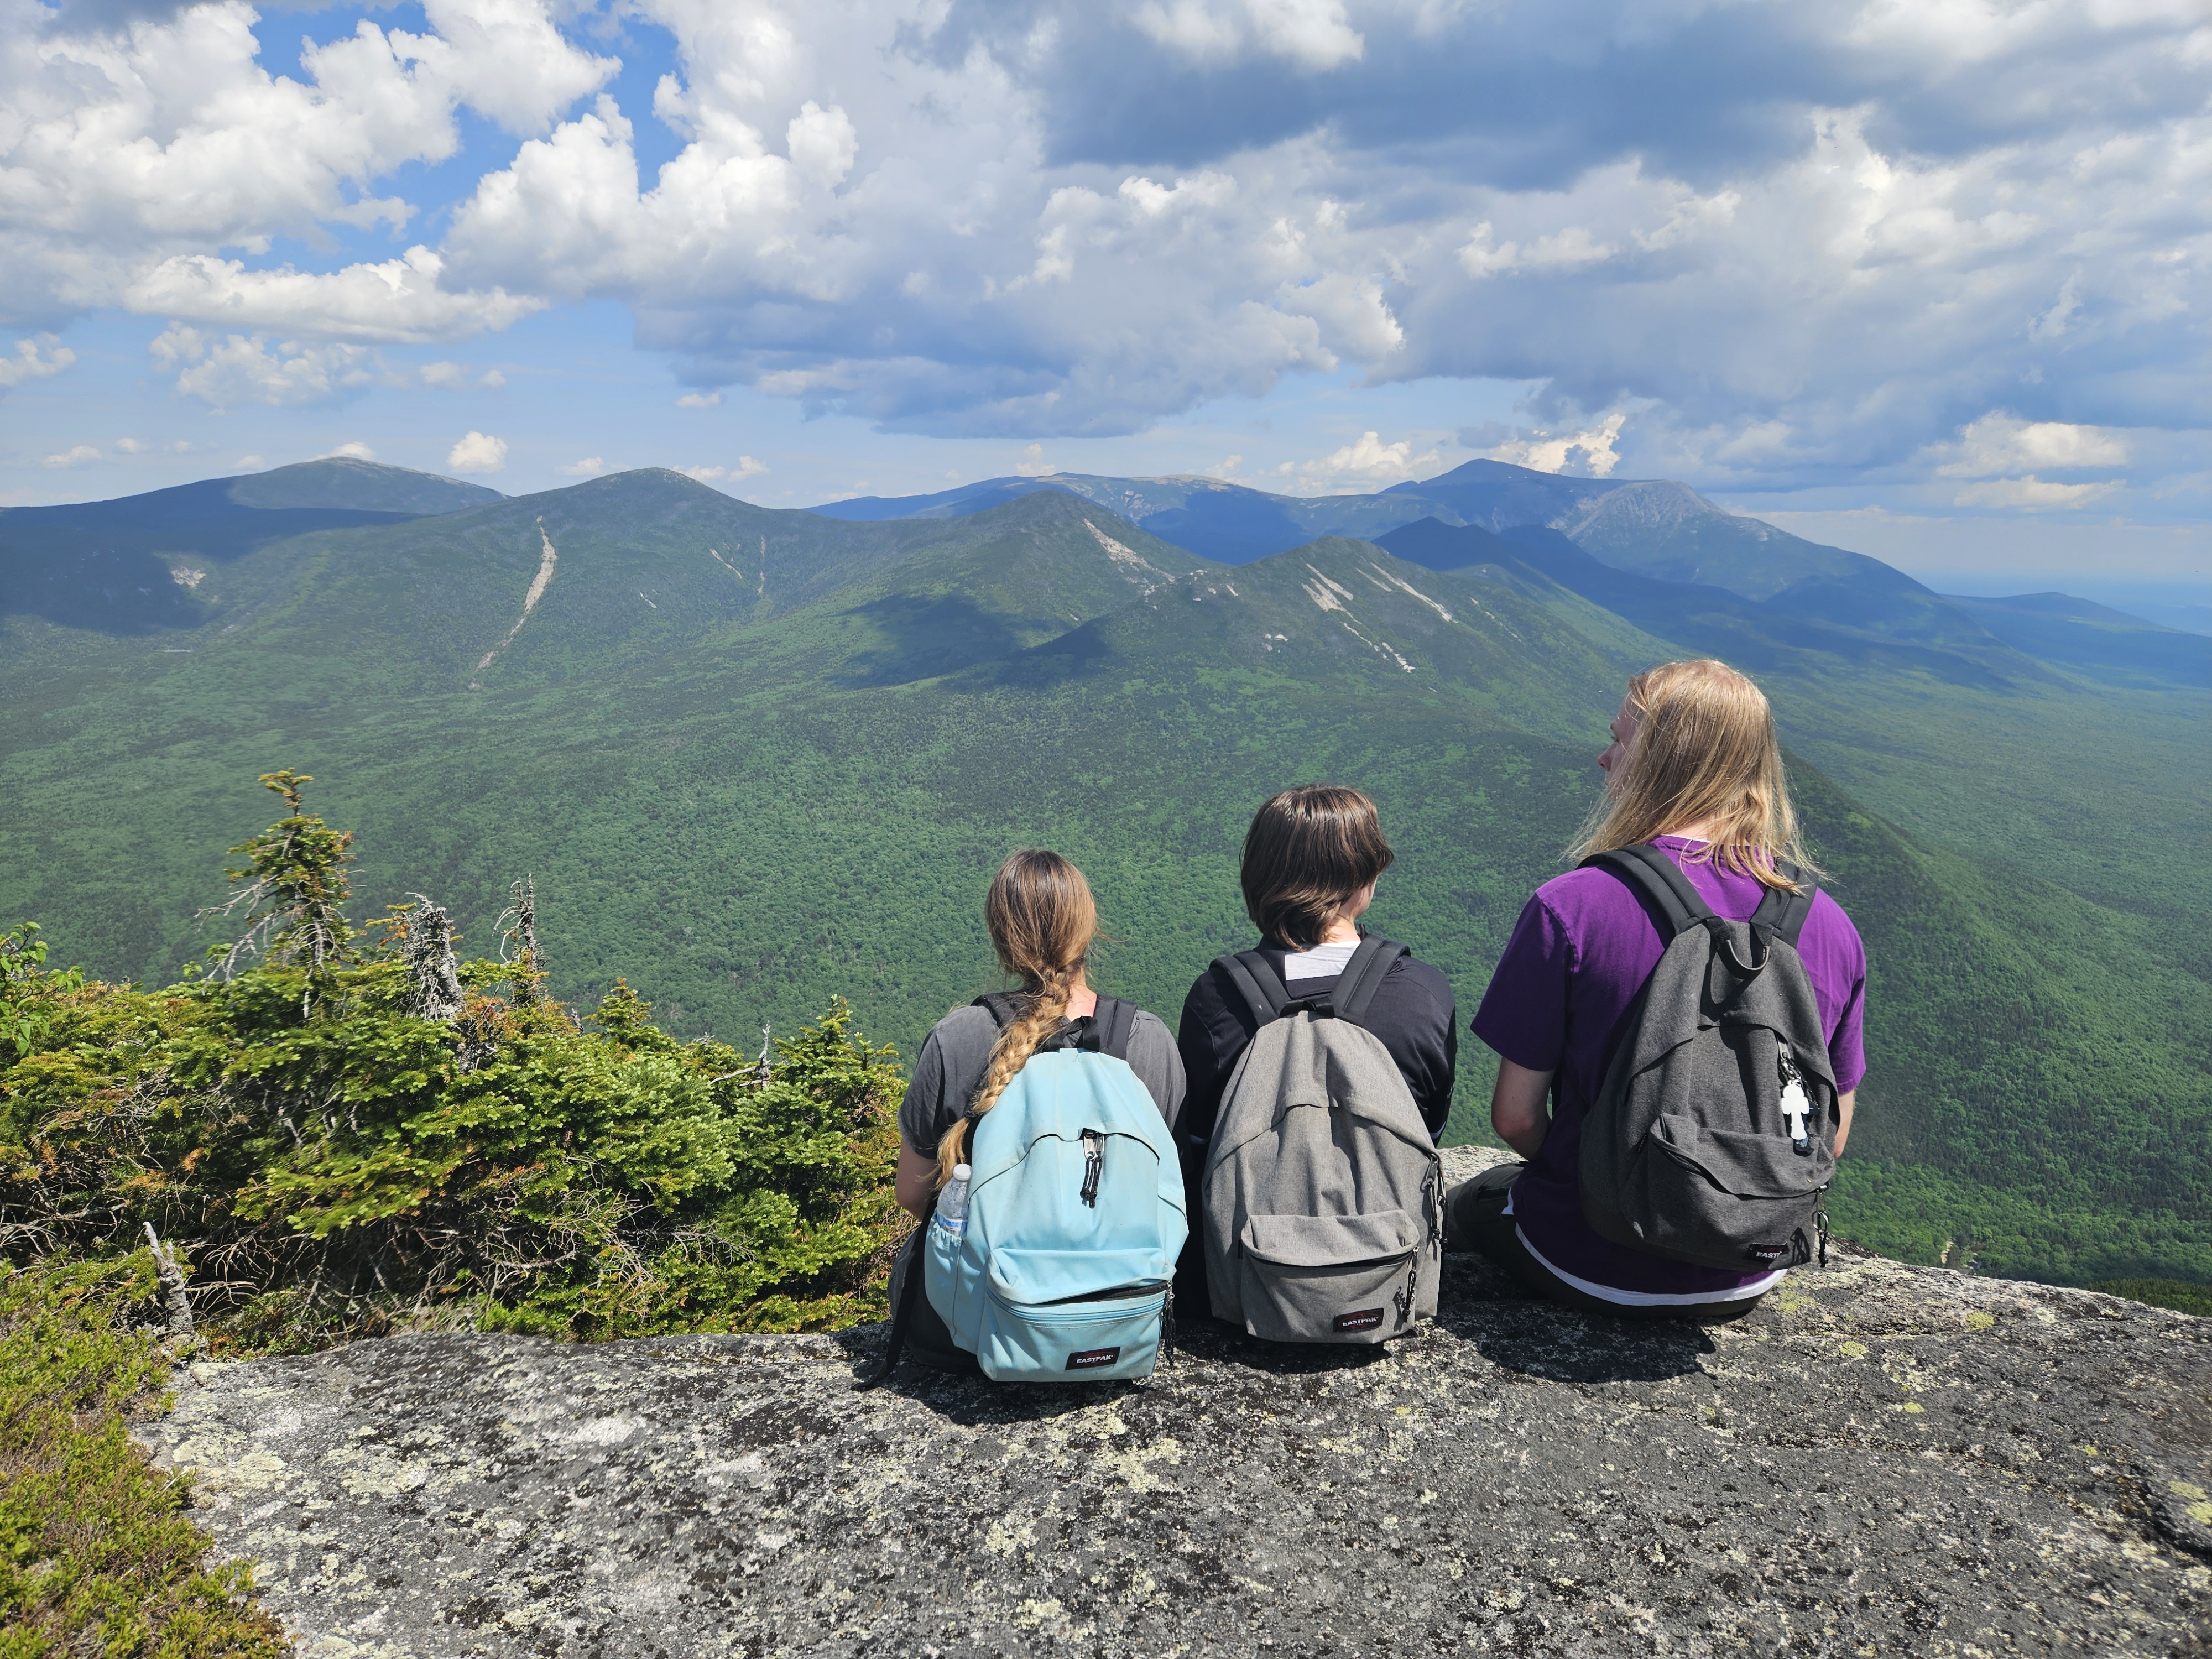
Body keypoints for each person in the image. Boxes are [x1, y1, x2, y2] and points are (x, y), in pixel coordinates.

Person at [1448, 658, 1866, 1318]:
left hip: (1586, 1262)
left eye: (1620, 741)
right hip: (1746, 1273)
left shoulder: (1573, 906)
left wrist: (1607, 1179)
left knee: (1466, 1203)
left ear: (1665, 763)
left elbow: (1516, 1119)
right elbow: (1829, 1133)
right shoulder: (1830, 926)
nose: (1602, 757)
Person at [887, 851, 1186, 1368]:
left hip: (968, 1334)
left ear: (1001, 937)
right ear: (1089, 929)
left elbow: (914, 1195)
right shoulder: (1150, 1041)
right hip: (1118, 1323)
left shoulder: (956, 1040)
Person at [1175, 785, 1458, 1316]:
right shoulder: (1425, 992)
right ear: (1363, 882)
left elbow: (1199, 1147)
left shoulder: (1216, 999)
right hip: (1389, 1269)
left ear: (1258, 881)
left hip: (1251, 1283)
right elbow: (1430, 1134)